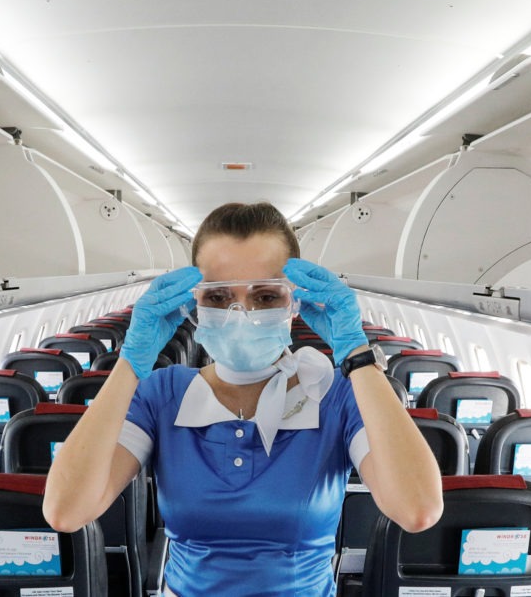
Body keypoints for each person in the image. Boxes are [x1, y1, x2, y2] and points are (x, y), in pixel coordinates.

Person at [43, 202, 443, 596]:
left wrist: (357, 355)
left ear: (295, 301)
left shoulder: (336, 395)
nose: (241, 312)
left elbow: (416, 509)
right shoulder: (162, 394)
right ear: (192, 303)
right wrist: (130, 363)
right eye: (218, 298)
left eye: (266, 297)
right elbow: (67, 510)